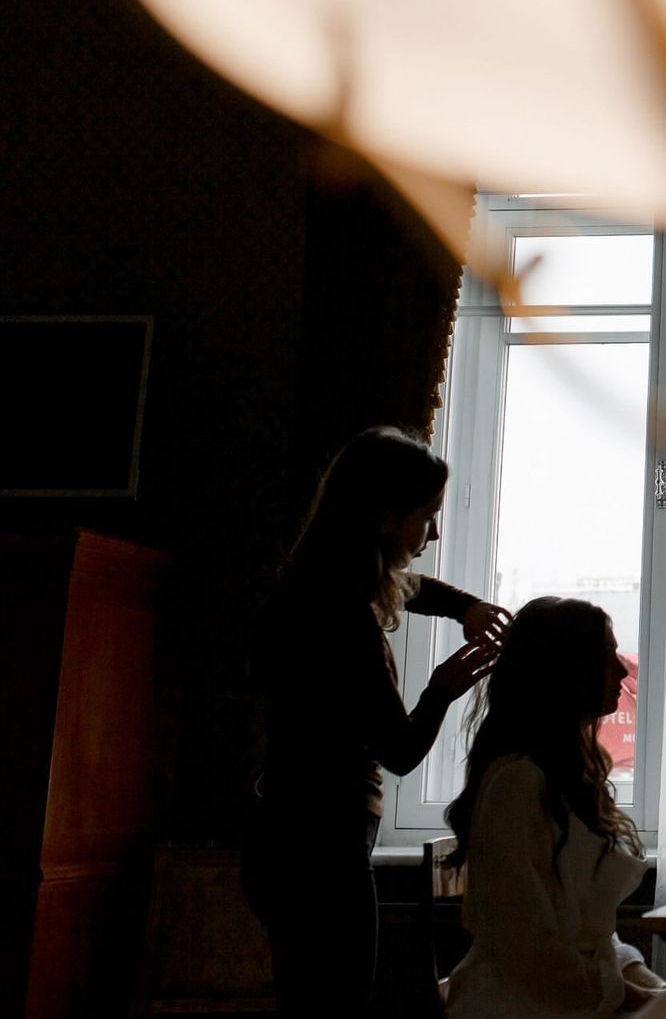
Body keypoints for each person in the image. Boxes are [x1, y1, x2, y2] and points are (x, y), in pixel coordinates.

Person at [245, 426, 510, 1018]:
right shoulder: (346, 623)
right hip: (323, 851)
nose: (434, 532)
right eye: (427, 514)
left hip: (284, 839)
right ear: (386, 518)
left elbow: (408, 586)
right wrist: (442, 690)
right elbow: (400, 750)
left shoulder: (314, 587)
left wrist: (462, 606)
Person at [444, 596, 666, 1017]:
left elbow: (590, 934)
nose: (621, 669)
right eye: (605, 654)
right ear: (564, 668)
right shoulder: (516, 785)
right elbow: (525, 947)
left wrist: (650, 984)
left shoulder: (565, 779)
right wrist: (638, 999)